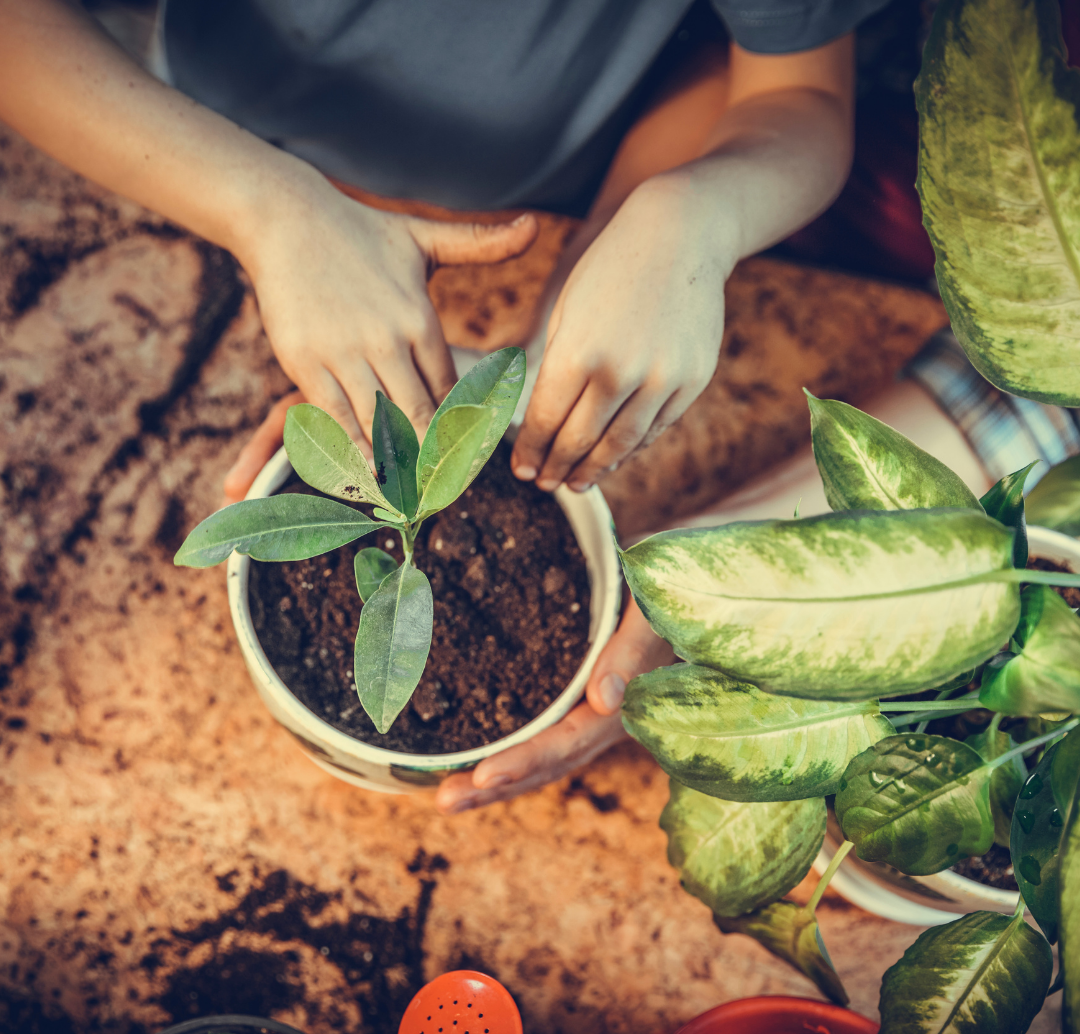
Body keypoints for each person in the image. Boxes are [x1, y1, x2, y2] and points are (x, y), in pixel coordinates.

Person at [0, 0, 910, 812]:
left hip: (583, 190)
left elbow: (791, 87)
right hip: (185, 140)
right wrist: (267, 209)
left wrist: (693, 218)